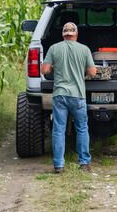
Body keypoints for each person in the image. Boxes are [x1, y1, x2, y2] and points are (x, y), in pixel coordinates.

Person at [41, 22, 97, 173]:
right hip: (78, 95)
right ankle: (84, 163)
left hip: (60, 94)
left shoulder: (54, 48)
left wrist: (53, 66)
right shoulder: (84, 49)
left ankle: (58, 165)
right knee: (82, 128)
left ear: (63, 34)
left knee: (58, 129)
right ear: (76, 34)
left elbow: (44, 70)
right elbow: (92, 72)